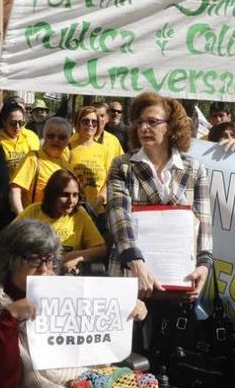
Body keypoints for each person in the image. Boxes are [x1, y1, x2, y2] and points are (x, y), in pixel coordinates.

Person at [0, 219, 146, 388]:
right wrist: (10, 317)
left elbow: (98, 336)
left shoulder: (66, 292)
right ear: (10, 260)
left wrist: (128, 306)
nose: (44, 270)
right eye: (34, 260)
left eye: (50, 261)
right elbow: (2, 382)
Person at [107, 92, 211, 301]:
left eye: (153, 122)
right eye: (140, 122)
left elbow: (203, 223)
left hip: (179, 281)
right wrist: (135, 261)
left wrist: (204, 265)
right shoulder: (123, 165)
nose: (144, 128)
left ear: (171, 126)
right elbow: (118, 215)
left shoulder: (195, 169)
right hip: (130, 277)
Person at [16, 170, 106, 275]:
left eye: (75, 195)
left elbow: (101, 250)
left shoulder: (80, 215)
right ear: (52, 194)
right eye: (65, 195)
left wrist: (76, 257)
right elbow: (8, 242)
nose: (71, 201)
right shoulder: (33, 211)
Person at [9, 117, 71, 215]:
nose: (56, 140)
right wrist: (22, 219)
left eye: (61, 137)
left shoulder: (67, 166)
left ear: (68, 140)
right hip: (35, 223)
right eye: (51, 136)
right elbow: (15, 190)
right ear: (44, 137)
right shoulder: (33, 158)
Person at [67, 106, 110, 215]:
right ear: (78, 124)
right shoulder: (68, 147)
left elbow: (109, 181)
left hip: (99, 212)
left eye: (94, 121)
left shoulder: (104, 150)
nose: (90, 125)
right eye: (85, 121)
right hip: (72, 210)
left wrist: (95, 205)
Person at [0, 97, 40, 178]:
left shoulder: (31, 137)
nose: (17, 127)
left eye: (21, 123)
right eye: (13, 123)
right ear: (4, 122)